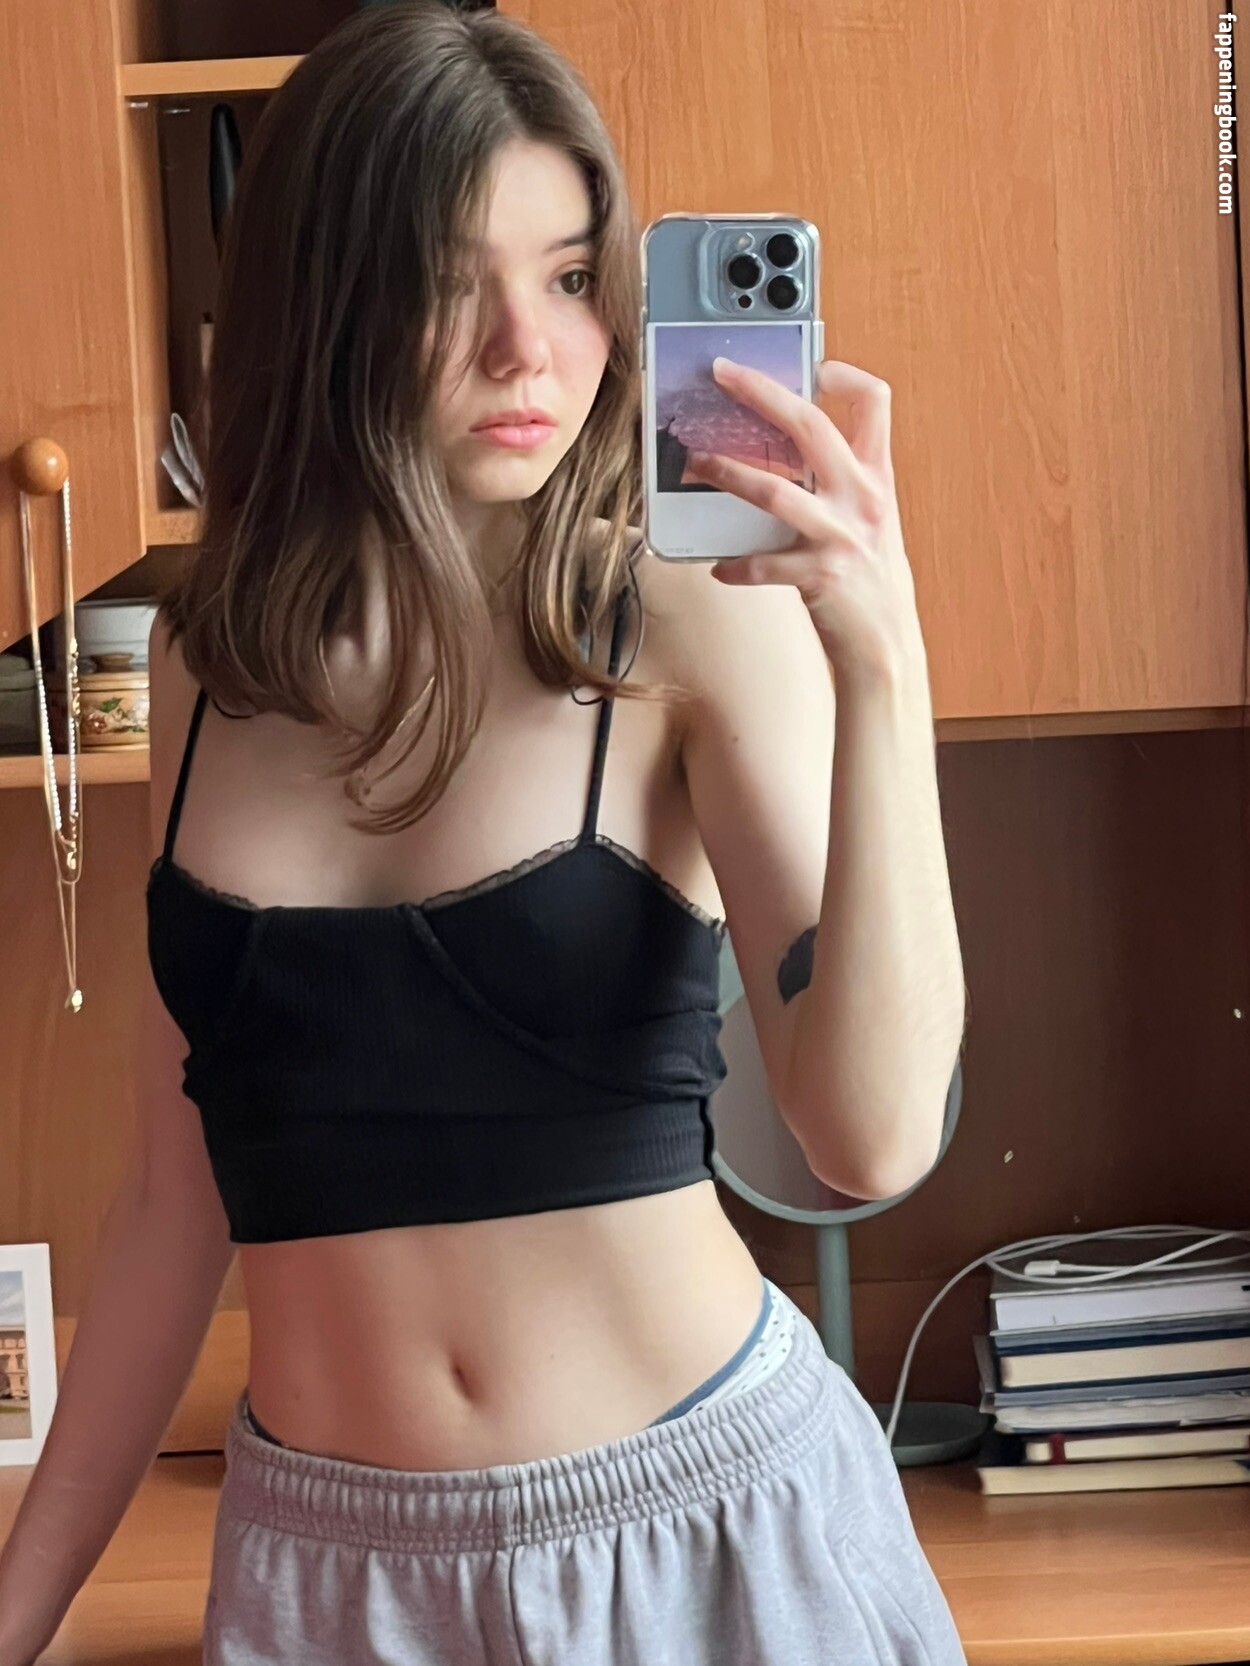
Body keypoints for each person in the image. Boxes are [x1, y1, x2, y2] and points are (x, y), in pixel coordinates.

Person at [0, 4, 968, 1662]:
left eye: (571, 274)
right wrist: (16, 1607)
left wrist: (880, 662)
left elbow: (865, 1139)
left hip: (705, 1536)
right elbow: (172, 1199)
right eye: (452, 283)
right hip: (326, 1579)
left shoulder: (679, 615)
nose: (530, 349)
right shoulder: (201, 663)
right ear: (319, 304)